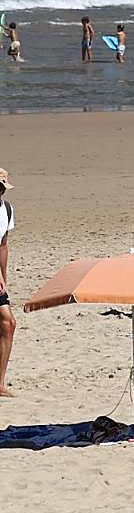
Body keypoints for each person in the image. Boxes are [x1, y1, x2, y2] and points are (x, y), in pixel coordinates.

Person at [0, 169, 15, 396]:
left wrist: (3, 277)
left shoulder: (6, 209)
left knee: (8, 324)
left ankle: (0, 384)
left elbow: (2, 246)